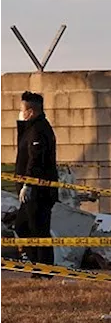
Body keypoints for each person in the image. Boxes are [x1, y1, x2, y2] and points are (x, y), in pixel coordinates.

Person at [13, 91, 59, 269]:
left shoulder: (39, 130)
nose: (20, 113)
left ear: (30, 112)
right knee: (23, 227)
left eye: (22, 109)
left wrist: (28, 184)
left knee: (38, 230)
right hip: (31, 192)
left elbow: (35, 160)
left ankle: (43, 269)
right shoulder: (31, 129)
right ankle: (38, 266)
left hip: (39, 192)